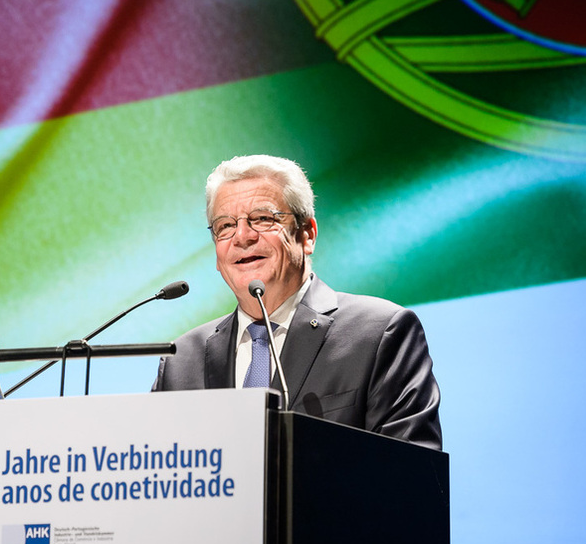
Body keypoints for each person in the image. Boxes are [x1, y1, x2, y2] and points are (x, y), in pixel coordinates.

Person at [152, 155, 442, 450]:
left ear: (307, 235)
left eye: (263, 218)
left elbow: (411, 480)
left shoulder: (379, 333)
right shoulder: (182, 361)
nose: (242, 236)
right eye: (225, 226)